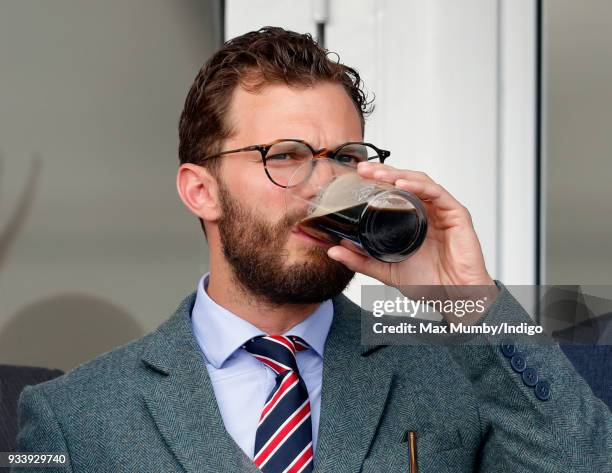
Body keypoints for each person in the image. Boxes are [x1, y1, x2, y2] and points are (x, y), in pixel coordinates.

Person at [14, 27, 611, 473]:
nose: (326, 186)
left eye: (346, 159)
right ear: (201, 190)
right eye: (287, 156)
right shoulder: (76, 417)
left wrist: (468, 303)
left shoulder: (456, 374)